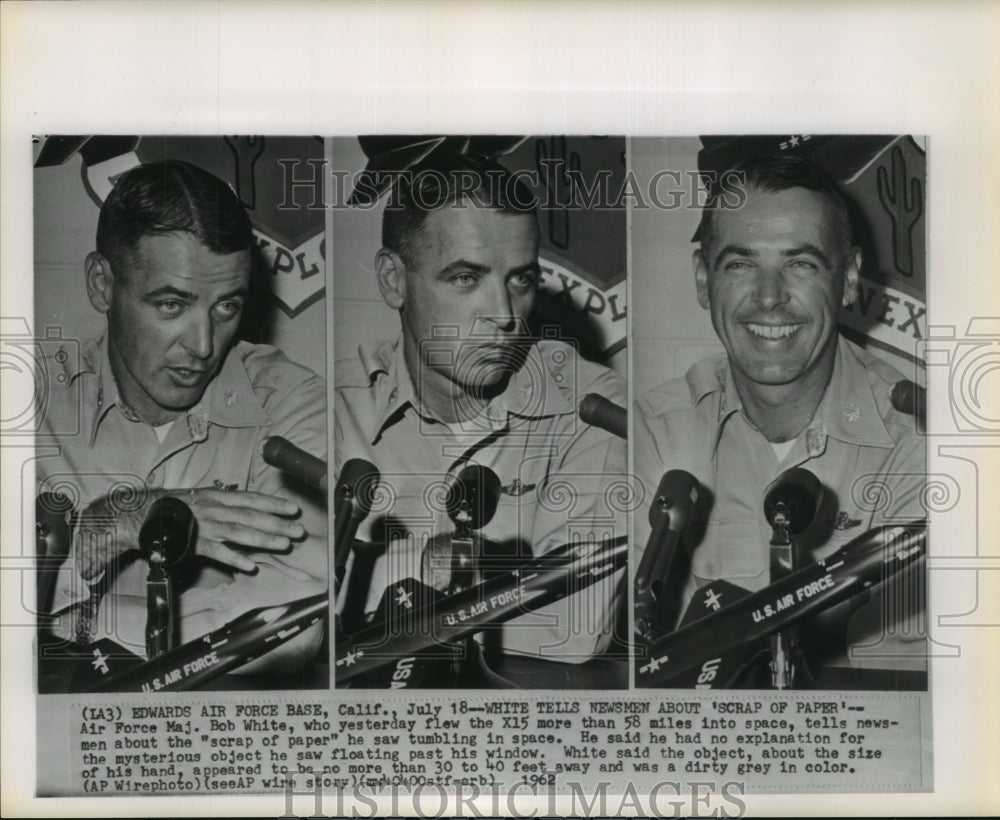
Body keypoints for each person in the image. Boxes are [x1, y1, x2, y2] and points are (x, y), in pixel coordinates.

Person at [635, 154, 926, 679]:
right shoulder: (652, 432)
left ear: (850, 277)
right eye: (741, 264)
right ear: (703, 279)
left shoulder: (924, 447)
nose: (770, 298)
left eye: (802, 264)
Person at [36, 159, 327, 681]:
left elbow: (294, 626)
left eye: (226, 307)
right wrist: (106, 526)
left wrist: (67, 629)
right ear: (103, 284)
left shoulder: (291, 400)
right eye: (171, 304)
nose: (204, 345)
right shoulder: (30, 404)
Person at [335, 154, 626, 670]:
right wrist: (429, 565)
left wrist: (376, 583)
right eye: (466, 278)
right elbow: (295, 617)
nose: (505, 315)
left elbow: (573, 629)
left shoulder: (593, 406)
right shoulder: (335, 408)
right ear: (392, 280)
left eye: (520, 280)